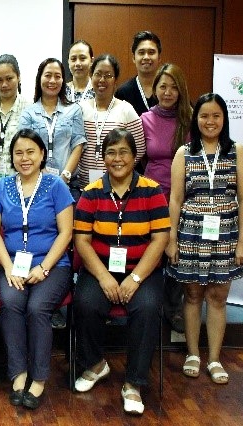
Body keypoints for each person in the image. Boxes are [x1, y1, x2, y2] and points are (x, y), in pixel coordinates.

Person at [73, 128, 170, 416]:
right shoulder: (90, 194)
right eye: (111, 152)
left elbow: (160, 239)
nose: (117, 159)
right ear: (103, 158)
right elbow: (82, 241)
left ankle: (134, 383)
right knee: (86, 303)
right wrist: (103, 276)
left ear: (135, 156)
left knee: (149, 307)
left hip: (142, 271)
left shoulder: (152, 191)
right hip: (100, 268)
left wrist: (136, 277)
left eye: (123, 152)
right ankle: (95, 365)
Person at [0, 129, 74, 409]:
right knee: (11, 303)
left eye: (30, 152)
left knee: (37, 308)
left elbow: (66, 233)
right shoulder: (1, 187)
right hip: (13, 264)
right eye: (18, 153)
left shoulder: (56, 186)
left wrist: (44, 267)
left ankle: (38, 378)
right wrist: (9, 268)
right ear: (11, 157)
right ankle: (18, 373)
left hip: (52, 265)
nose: (24, 158)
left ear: (42, 155)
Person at [166, 93, 243, 386]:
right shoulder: (184, 153)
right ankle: (192, 354)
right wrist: (172, 238)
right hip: (190, 234)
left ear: (224, 119)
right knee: (192, 295)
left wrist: (242, 241)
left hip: (225, 234)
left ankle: (214, 358)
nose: (210, 121)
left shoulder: (236, 151)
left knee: (218, 297)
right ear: (195, 119)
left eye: (215, 116)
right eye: (204, 116)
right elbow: (175, 199)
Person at [140, 63, 192, 333]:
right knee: (153, 250)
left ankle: (172, 307)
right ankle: (148, 303)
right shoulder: (145, 119)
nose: (168, 92)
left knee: (177, 252)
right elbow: (137, 158)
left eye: (173, 87)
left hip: (185, 196)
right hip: (153, 195)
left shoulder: (191, 119)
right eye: (163, 86)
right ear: (155, 89)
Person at [19, 58, 87, 200]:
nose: (52, 81)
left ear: (63, 80)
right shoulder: (28, 113)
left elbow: (78, 145)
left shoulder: (74, 110)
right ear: (40, 78)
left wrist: (65, 176)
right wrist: (43, 177)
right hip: (35, 182)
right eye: (48, 75)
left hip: (68, 184)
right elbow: (25, 146)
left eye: (57, 76)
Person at [78, 54, 145, 189]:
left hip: (117, 186)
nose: (102, 79)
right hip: (83, 187)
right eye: (98, 74)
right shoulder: (81, 108)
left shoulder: (126, 110)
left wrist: (120, 169)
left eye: (108, 75)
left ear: (115, 81)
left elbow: (140, 148)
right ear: (91, 77)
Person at [0, 54, 31, 182]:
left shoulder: (30, 109)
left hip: (20, 178)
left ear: (18, 77)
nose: (4, 84)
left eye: (9, 78)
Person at [115, 31, 162, 116]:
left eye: (151, 52)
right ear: (133, 58)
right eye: (141, 52)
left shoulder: (168, 89)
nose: (146, 57)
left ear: (159, 57)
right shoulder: (123, 92)